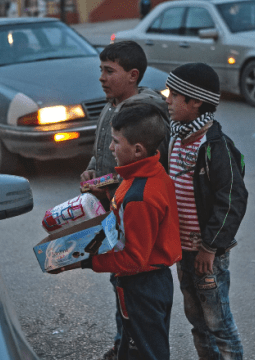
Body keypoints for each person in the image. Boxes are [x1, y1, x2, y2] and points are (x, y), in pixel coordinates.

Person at [54, 104, 182, 360]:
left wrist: (83, 260)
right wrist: (110, 194)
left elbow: (134, 259)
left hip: (140, 288)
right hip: (150, 283)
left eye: (115, 141)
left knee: (145, 353)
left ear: (137, 150)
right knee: (133, 348)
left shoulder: (139, 197)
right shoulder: (150, 174)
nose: (111, 148)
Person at [80, 40, 169, 360]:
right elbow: (102, 152)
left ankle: (134, 346)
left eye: (109, 71)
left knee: (133, 280)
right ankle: (124, 343)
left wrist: (88, 261)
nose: (102, 78)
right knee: (122, 288)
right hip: (113, 206)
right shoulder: (112, 104)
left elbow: (149, 167)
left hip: (128, 210)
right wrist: (92, 172)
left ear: (133, 75)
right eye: (100, 70)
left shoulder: (142, 115)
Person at [165, 62, 248, 359]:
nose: (168, 100)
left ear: (195, 101)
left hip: (207, 257)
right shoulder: (175, 138)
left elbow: (233, 200)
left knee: (218, 324)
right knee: (197, 322)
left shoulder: (215, 146)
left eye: (174, 95)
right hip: (183, 252)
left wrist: (210, 248)